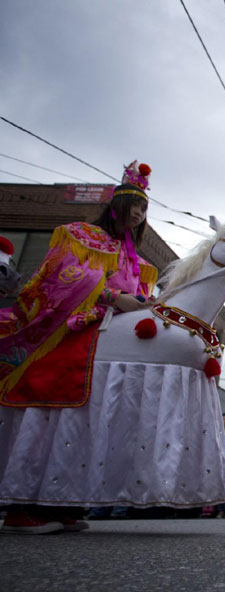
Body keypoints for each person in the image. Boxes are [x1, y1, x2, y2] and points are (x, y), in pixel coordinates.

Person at [0, 161, 157, 534]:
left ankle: (61, 498)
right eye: (133, 204)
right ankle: (24, 504)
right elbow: (56, 277)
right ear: (116, 204)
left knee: (88, 421)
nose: (137, 213)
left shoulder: (136, 261)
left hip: (106, 340)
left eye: (144, 207)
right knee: (50, 416)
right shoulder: (79, 235)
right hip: (65, 337)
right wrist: (113, 296)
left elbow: (136, 296)